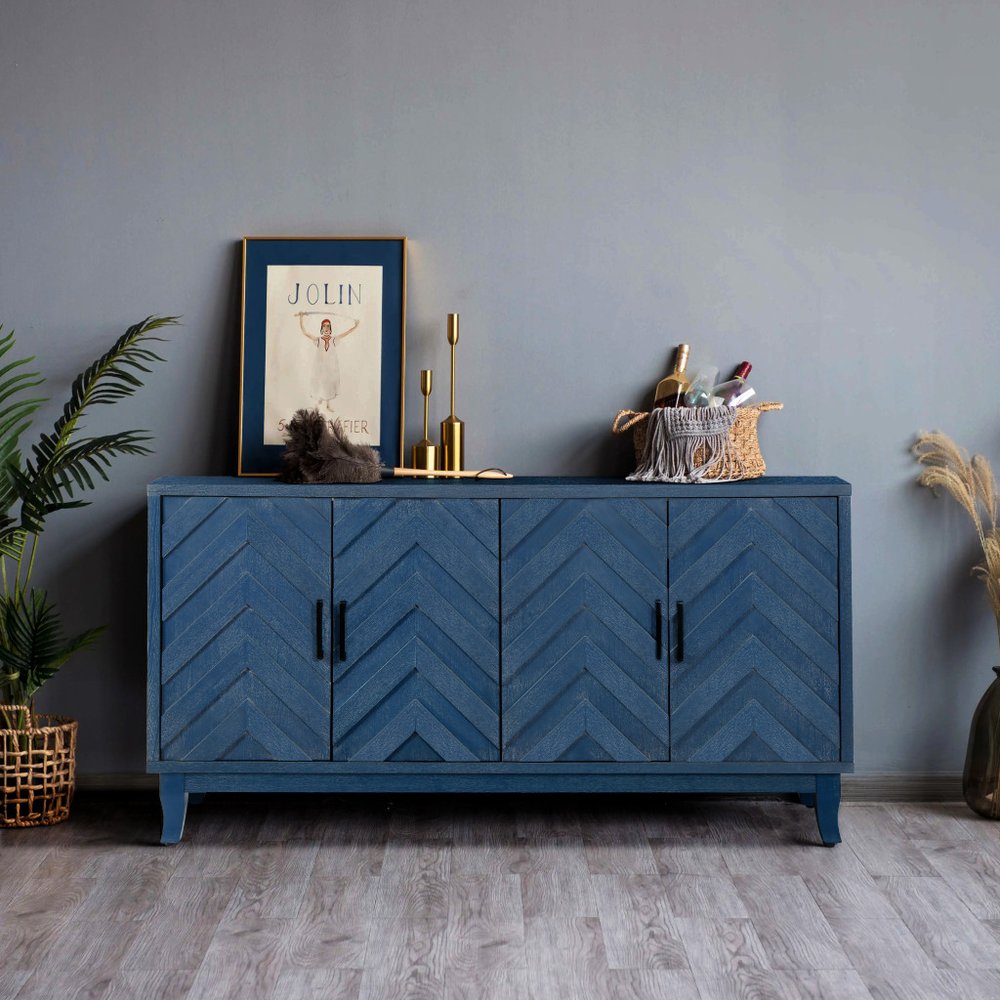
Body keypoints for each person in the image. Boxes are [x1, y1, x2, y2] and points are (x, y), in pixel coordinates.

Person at [294, 312, 360, 410]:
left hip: (331, 366)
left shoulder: (334, 339)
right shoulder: (318, 340)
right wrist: (301, 318)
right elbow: (305, 332)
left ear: (330, 328)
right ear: (322, 328)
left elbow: (347, 333)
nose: (326, 328)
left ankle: (328, 404)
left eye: (328, 326)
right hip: (320, 366)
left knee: (329, 383)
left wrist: (356, 325)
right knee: (320, 381)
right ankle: (318, 401)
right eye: (324, 326)